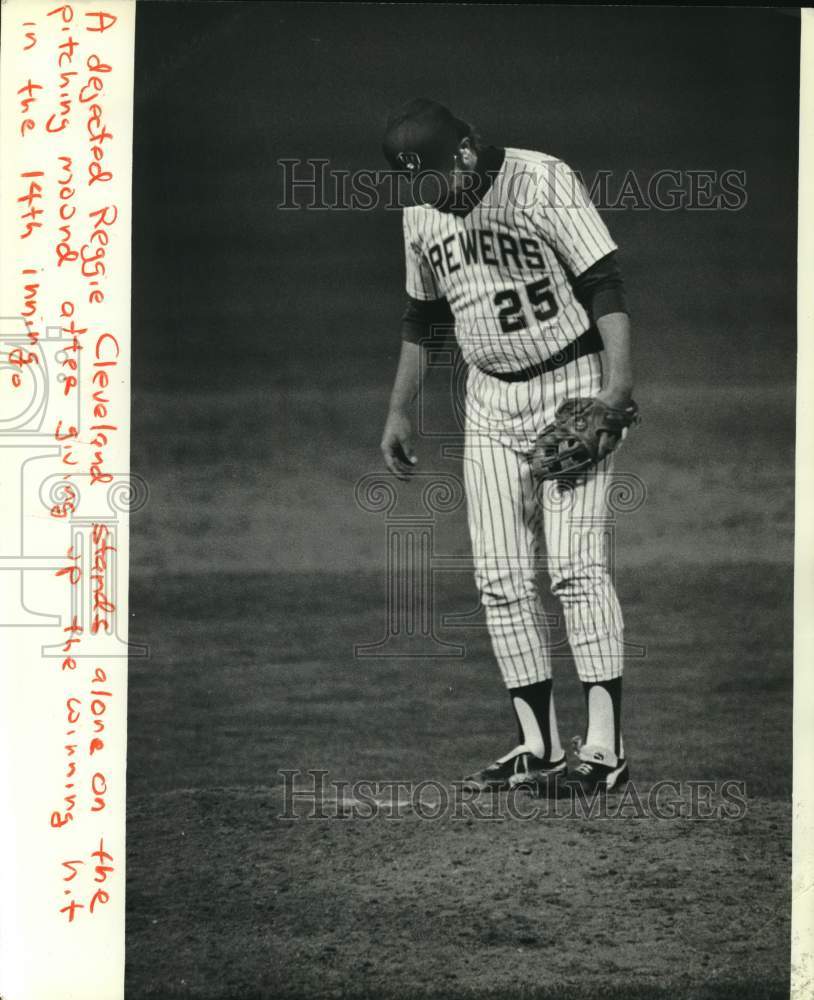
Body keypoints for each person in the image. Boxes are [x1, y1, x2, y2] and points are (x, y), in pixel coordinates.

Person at [379, 98, 635, 794]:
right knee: (499, 578)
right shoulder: (420, 212)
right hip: (488, 404)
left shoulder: (540, 179)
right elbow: (423, 316)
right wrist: (399, 409)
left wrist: (615, 391)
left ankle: (605, 751)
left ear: (465, 150)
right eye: (417, 184)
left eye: (436, 178)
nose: (431, 195)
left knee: (576, 569)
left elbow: (603, 282)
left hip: (572, 388)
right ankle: (538, 746)